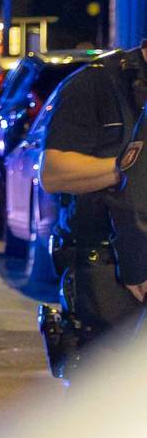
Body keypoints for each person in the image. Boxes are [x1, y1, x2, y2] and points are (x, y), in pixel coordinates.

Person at [37, 48, 147, 375]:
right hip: (105, 271)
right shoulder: (95, 83)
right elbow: (53, 173)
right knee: (105, 397)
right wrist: (128, 169)